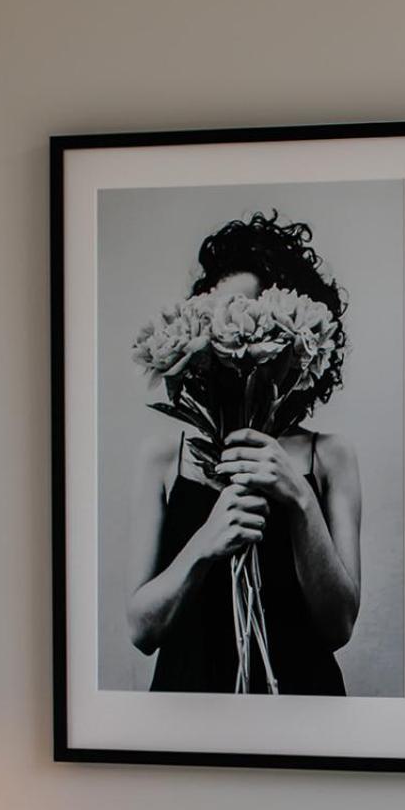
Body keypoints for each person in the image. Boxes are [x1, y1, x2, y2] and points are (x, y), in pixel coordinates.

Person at [127, 212, 361, 695]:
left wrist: (299, 498)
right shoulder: (163, 456)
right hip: (188, 710)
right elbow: (141, 631)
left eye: (250, 315)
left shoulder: (329, 455)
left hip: (302, 706)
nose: (229, 334)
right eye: (216, 317)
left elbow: (338, 627)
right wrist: (204, 543)